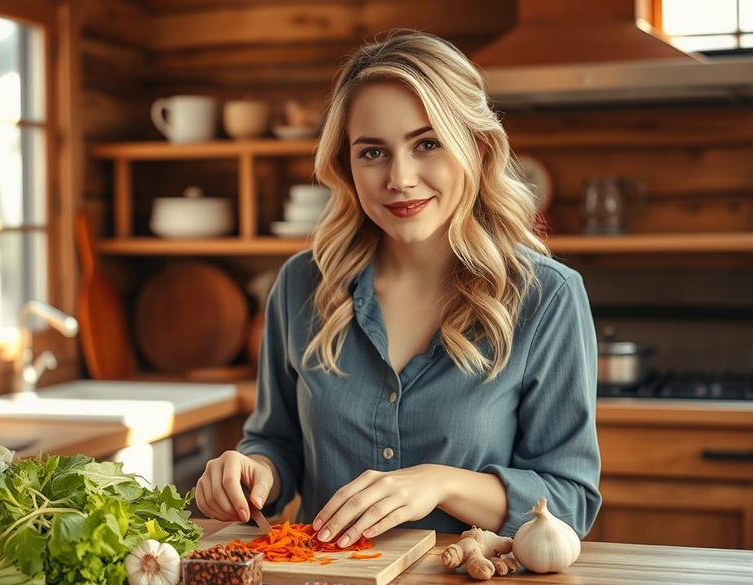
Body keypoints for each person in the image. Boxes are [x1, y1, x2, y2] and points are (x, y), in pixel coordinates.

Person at [194, 30, 601, 548]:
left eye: (427, 144)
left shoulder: (547, 297)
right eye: (372, 152)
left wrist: (442, 484)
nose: (400, 178)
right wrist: (253, 471)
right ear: (346, 166)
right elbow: (278, 442)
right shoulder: (300, 284)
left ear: (475, 148)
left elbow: (569, 502)